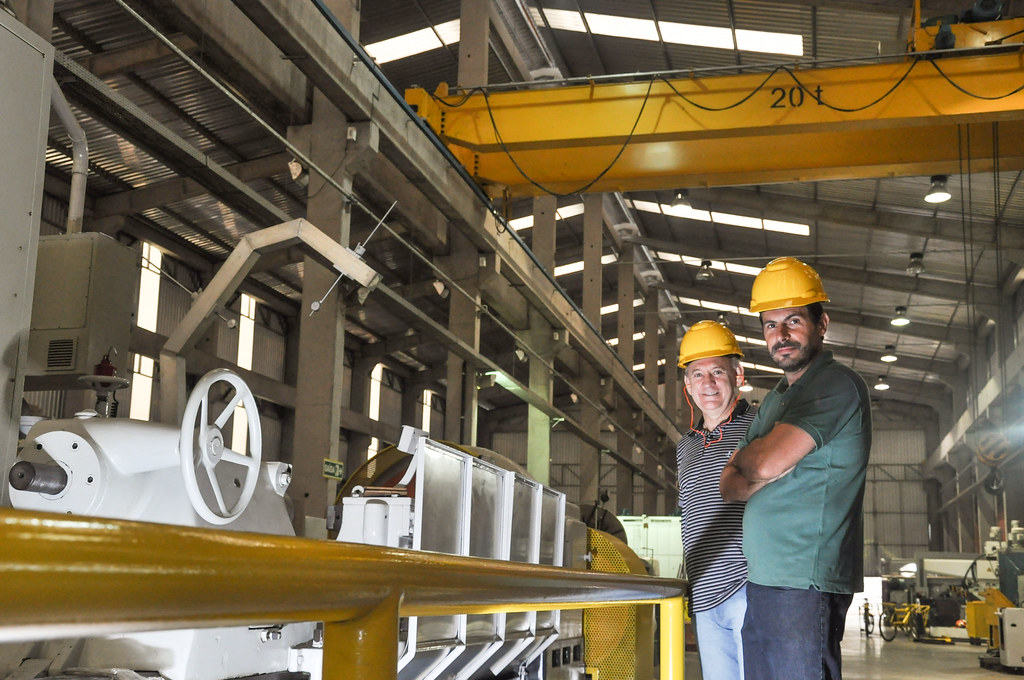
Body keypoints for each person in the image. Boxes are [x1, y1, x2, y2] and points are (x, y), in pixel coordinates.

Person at [720, 257, 871, 680]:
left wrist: (761, 465)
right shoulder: (777, 398)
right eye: (770, 324)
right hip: (764, 579)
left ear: (822, 324)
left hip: (804, 582)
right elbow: (730, 483)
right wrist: (759, 466)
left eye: (793, 321)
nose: (780, 335)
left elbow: (761, 462)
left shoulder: (836, 384)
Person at [676, 320, 756, 680]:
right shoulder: (685, 446)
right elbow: (690, 515)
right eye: (698, 374)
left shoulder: (759, 427)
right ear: (688, 385)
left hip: (748, 585)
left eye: (717, 372)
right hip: (704, 592)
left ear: (737, 376)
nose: (707, 383)